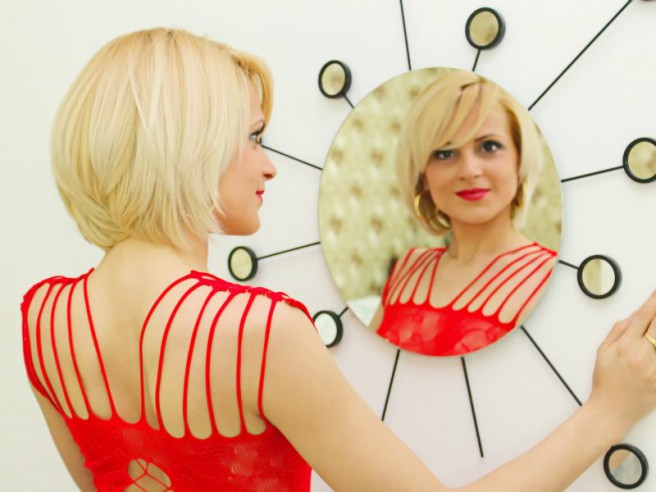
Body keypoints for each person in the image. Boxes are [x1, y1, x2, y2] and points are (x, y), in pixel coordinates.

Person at [21, 27, 656, 492]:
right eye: (253, 137)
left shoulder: (42, 318)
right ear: (188, 144)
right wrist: (608, 412)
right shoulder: (259, 332)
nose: (269, 165)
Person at [371, 70, 558, 356]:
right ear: (423, 176)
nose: (469, 171)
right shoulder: (408, 267)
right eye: (444, 153)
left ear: (519, 160)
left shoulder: (551, 276)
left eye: (489, 147)